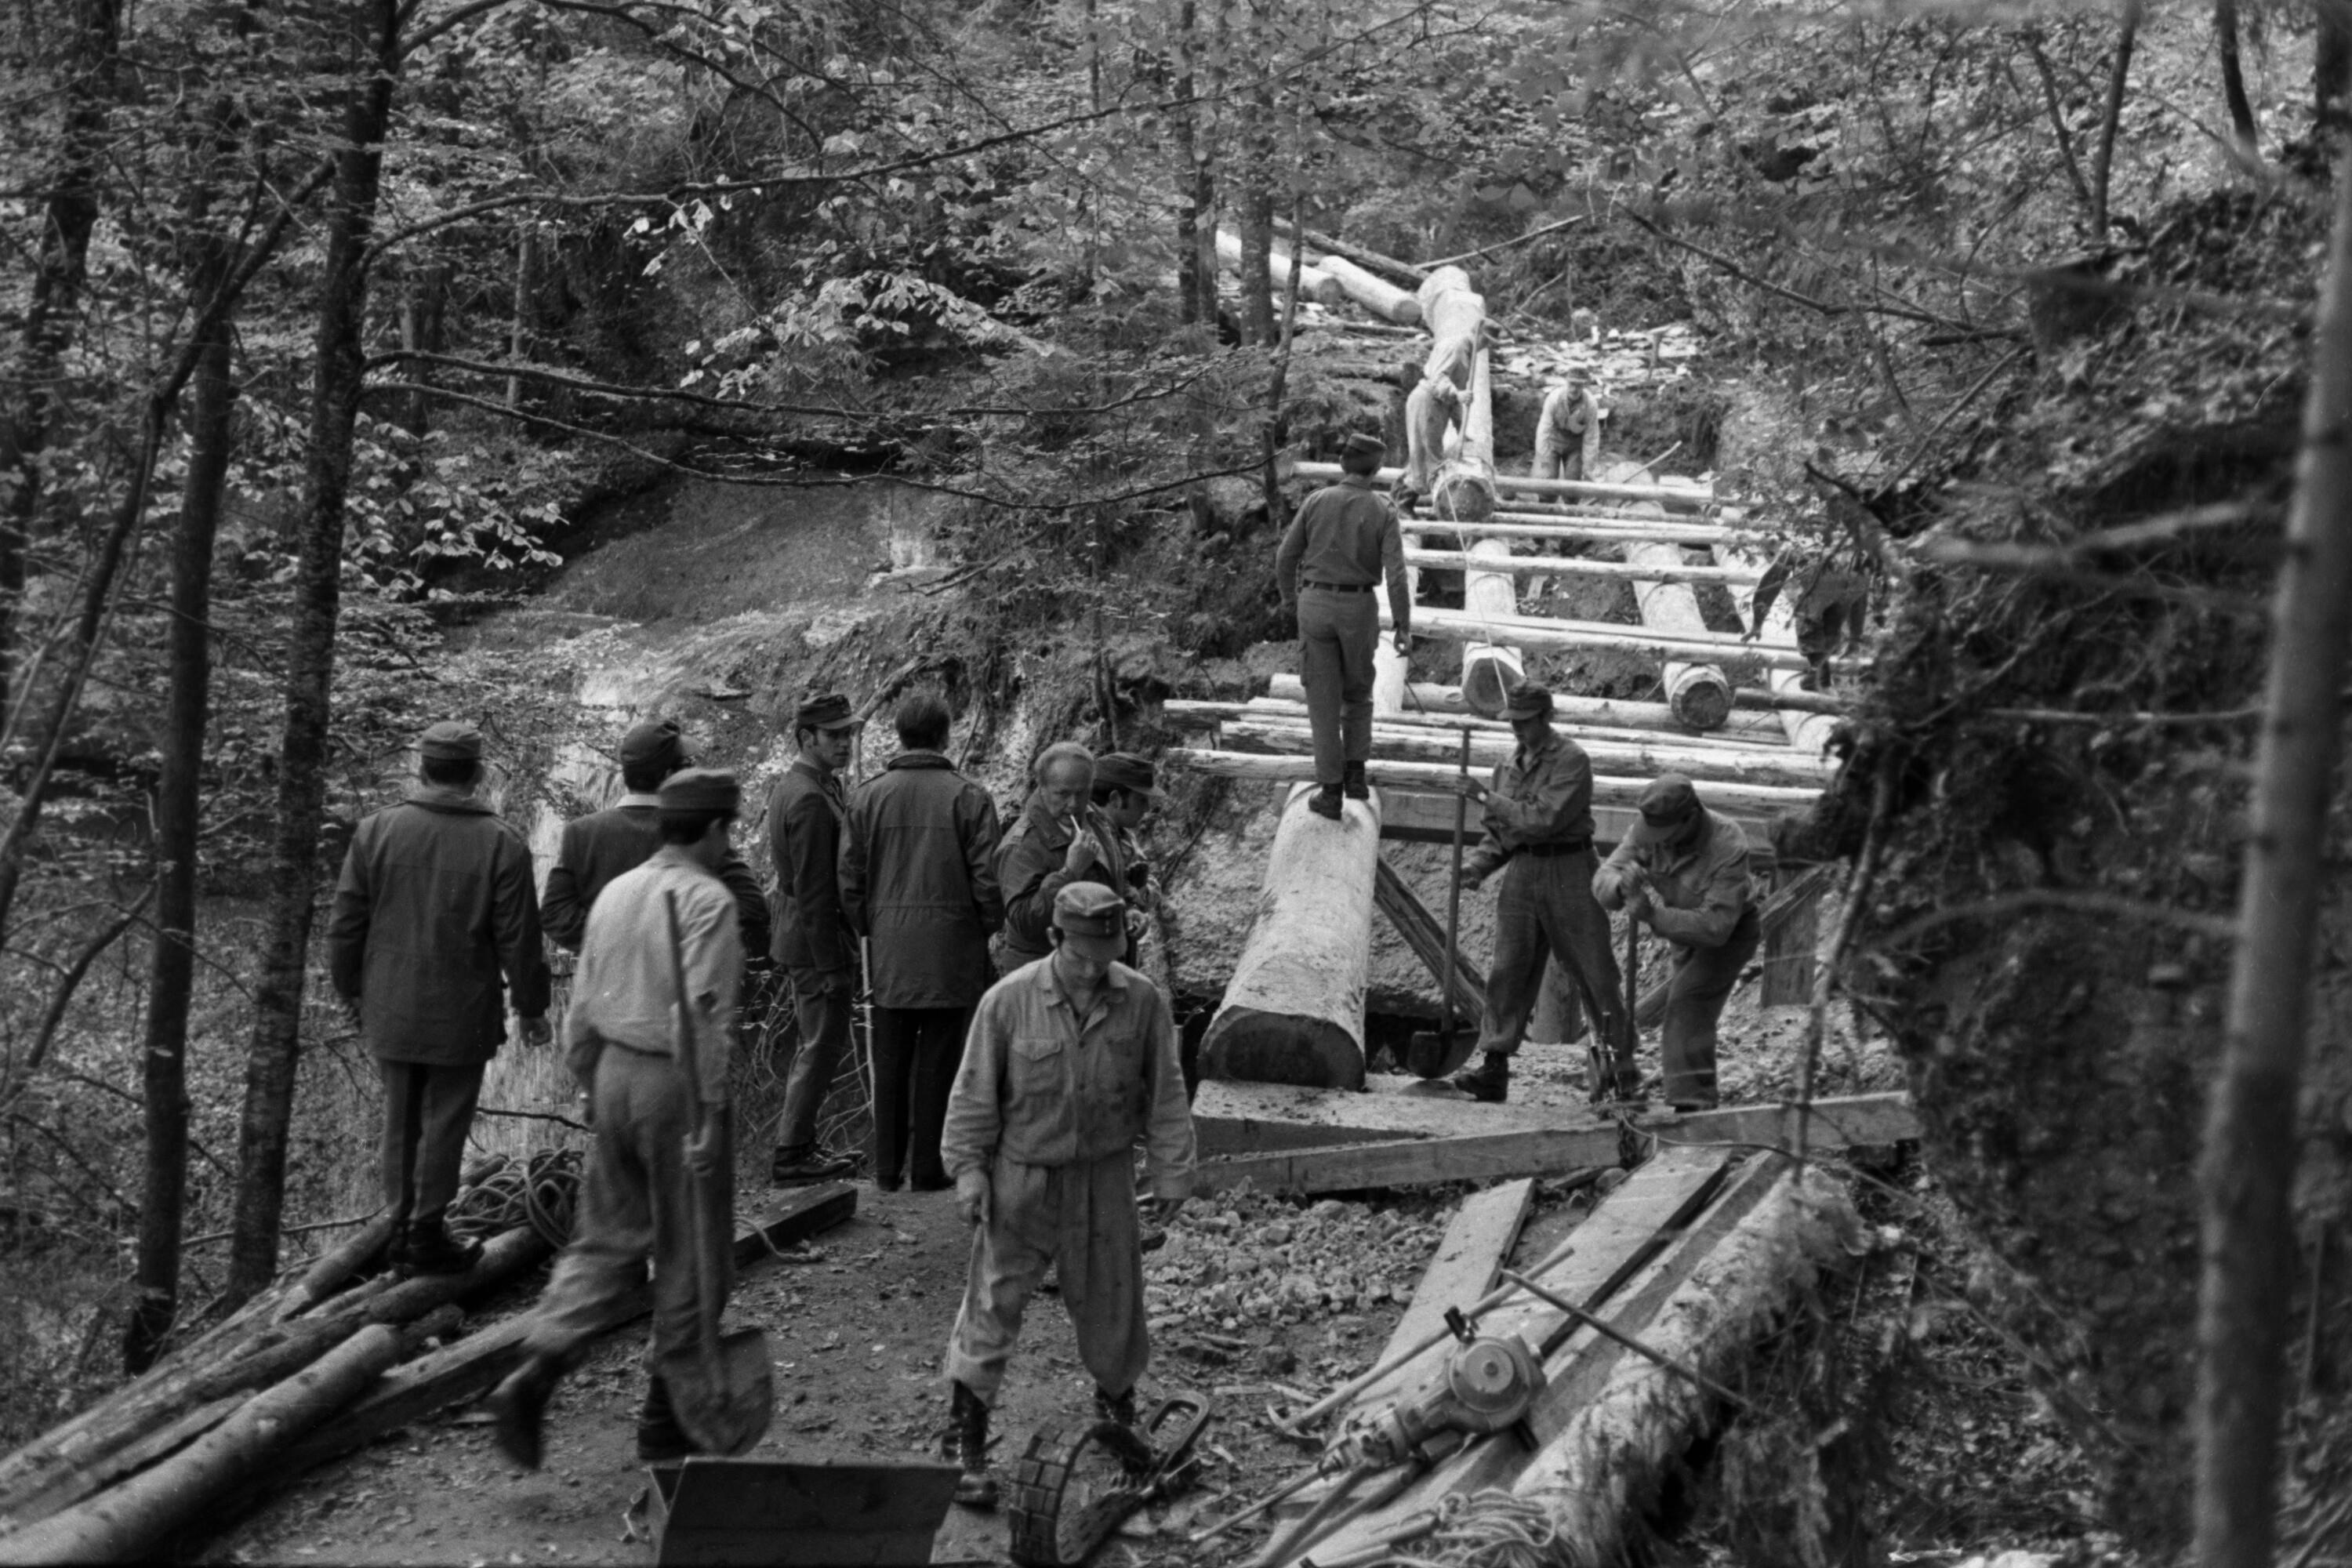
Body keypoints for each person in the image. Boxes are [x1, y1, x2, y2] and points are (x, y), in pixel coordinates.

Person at [485, 768, 748, 1470]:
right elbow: (699, 1020)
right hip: (674, 1086)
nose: (730, 843)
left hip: (612, 1075)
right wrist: (705, 1115)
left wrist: (591, 1086)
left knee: (604, 1240)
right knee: (693, 1252)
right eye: (729, 830)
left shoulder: (615, 894)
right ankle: (667, 1428)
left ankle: (539, 1363)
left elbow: (581, 1010)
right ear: (714, 828)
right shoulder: (708, 901)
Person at [937, 883, 1196, 1508]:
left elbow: (1166, 1091)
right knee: (993, 1303)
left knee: (1114, 1303)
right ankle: (965, 1436)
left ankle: (1118, 1412)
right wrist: (969, 1172)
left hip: (1104, 1178)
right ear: (1054, 939)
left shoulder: (1141, 1000)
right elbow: (973, 1094)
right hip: (1022, 1178)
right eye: (1081, 956)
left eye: (1106, 956)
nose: (1093, 969)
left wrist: (1172, 1172)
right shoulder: (1008, 1001)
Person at [328, 720, 552, 1276]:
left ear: (422, 769)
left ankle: (400, 1228)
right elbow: (520, 940)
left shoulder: (376, 831)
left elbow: (346, 924)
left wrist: (349, 990)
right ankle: (424, 1235)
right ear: (477, 775)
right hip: (462, 1010)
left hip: (389, 1006)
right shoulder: (501, 842)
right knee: (445, 1121)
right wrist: (532, 1008)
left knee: (400, 1119)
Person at [841, 692, 1005, 1192]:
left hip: (889, 947)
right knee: (940, 1059)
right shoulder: (970, 797)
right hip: (952, 946)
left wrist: (869, 927)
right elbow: (988, 880)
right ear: (945, 736)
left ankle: (887, 1170)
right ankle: (930, 1168)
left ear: (900, 735)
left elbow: (849, 879)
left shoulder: (866, 797)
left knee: (890, 1057)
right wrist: (985, 926)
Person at [1447, 683, 1630, 1107]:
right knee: (1508, 969)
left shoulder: (1572, 761)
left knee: (1595, 970)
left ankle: (1618, 1068)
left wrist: (1483, 796)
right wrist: (1478, 866)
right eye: (1512, 721)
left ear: (1547, 718)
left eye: (1525, 721)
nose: (1517, 729)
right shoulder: (1507, 765)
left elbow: (1543, 819)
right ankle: (1494, 1067)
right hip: (1524, 871)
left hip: (1570, 870)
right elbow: (1502, 833)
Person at [540, 717, 772, 965]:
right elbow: (751, 906)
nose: (692, 769)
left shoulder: (580, 833)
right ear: (670, 777)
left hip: (605, 973)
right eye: (687, 764)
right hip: (680, 975)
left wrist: (612, 944)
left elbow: (555, 914)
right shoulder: (693, 830)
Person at [1592, 774, 1759, 1112]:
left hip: (1729, 934)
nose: (1659, 842)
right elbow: (1604, 877)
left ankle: (1692, 1107)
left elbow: (1714, 927)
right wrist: (1621, 885)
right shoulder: (1648, 830)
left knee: (1687, 1004)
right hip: (1681, 934)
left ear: (1691, 816)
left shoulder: (1728, 843)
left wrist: (1652, 915)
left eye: (1666, 833)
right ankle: (1697, 1097)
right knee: (1693, 1013)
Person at [1274, 431, 1411, 820]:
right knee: (1359, 693)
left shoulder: (1316, 501)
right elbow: (1397, 574)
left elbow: (1286, 557)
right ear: (1377, 470)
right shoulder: (1383, 510)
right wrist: (1402, 625)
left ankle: (1331, 792)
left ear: (1342, 464)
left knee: (1322, 702)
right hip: (1360, 608)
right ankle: (1356, 775)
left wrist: (1291, 600)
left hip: (1315, 604)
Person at [766, 692, 865, 1186]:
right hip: (813, 942)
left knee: (819, 1044)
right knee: (820, 1046)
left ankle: (802, 1143)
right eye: (835, 735)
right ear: (808, 738)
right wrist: (831, 965)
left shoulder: (815, 785)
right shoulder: (806, 796)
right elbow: (813, 891)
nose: (846, 743)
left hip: (807, 937)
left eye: (849, 733)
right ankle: (791, 1154)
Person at [993, 742, 1128, 971]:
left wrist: (1128, 909)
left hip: (1093, 966)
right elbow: (1024, 922)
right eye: (1063, 794)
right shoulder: (1022, 844)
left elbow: (1110, 878)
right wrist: (1070, 872)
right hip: (1042, 974)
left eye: (1082, 793)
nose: (1073, 804)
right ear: (1042, 788)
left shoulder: (1095, 819)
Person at [1530, 382, 1598, 484]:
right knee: (1547, 479)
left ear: (1583, 386)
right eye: (1571, 384)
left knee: (1573, 482)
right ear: (1566, 383)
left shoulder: (1590, 403)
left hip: (1575, 445)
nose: (1574, 389)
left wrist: (1588, 466)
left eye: (1578, 385)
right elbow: (1543, 430)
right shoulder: (1554, 398)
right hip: (1553, 442)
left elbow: (1591, 436)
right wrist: (1543, 459)